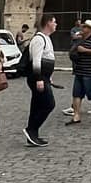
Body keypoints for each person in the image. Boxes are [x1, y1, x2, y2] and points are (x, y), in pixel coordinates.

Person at [21, 16, 58, 147]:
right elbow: (36, 61)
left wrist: (49, 76)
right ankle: (31, 129)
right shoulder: (39, 39)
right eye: (54, 22)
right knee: (49, 104)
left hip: (44, 77)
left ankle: (33, 135)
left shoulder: (47, 38)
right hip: (38, 77)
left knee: (36, 106)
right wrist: (39, 79)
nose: (56, 24)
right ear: (48, 23)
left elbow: (48, 58)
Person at [67, 18, 91, 124]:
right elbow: (74, 49)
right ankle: (76, 116)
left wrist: (85, 50)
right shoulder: (80, 39)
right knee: (76, 93)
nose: (82, 28)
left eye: (85, 27)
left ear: (90, 29)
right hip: (79, 69)